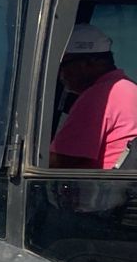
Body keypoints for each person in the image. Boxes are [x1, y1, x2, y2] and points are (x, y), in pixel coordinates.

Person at [50, 24, 137, 169]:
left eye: (64, 64)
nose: (61, 74)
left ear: (90, 62)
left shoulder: (100, 96)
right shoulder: (128, 87)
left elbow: (60, 161)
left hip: (103, 189)